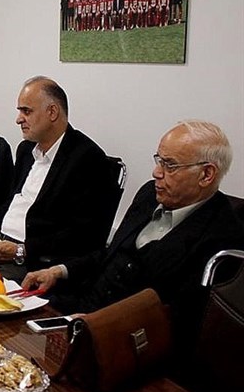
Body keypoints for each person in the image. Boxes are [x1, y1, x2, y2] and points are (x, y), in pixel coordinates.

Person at [22, 121, 244, 336]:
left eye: (170, 165)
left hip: (126, 337)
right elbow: (111, 255)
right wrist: (58, 271)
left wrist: (102, 325)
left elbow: (180, 318)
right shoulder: (150, 195)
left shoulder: (222, 235)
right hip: (80, 306)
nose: (156, 173)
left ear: (206, 174)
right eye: (159, 160)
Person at [0, 76, 117, 281]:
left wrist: (22, 250)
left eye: (26, 111)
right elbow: (15, 204)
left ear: (52, 112)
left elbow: (83, 235)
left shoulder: (87, 160)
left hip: (33, 263)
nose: (18, 119)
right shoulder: (26, 150)